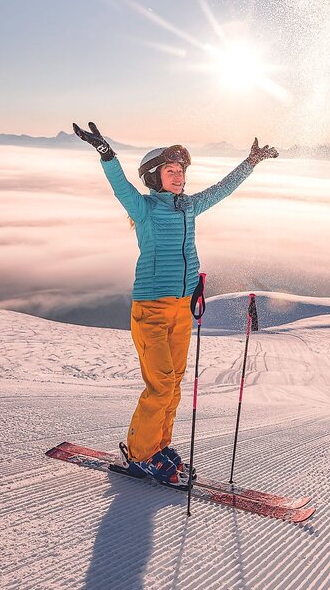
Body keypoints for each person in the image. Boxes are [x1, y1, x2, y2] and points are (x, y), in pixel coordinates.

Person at [73, 122, 278, 485]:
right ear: (154, 177)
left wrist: (250, 162)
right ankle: (140, 455)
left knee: (176, 383)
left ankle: (159, 447)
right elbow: (121, 188)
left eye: (181, 171)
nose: (179, 176)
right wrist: (108, 155)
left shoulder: (190, 207)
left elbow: (222, 189)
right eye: (171, 171)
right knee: (161, 385)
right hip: (151, 308)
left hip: (183, 307)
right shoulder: (146, 209)